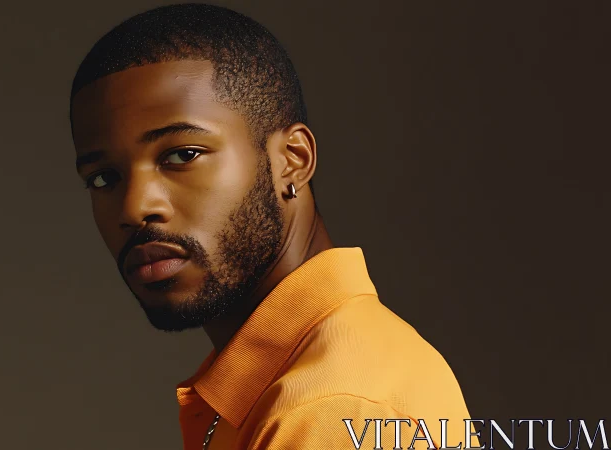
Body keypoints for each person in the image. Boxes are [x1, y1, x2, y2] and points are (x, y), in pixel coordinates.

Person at [69, 4, 473, 449]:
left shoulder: (331, 408)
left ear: (291, 161)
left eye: (182, 154)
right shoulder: (278, 385)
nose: (134, 206)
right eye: (104, 178)